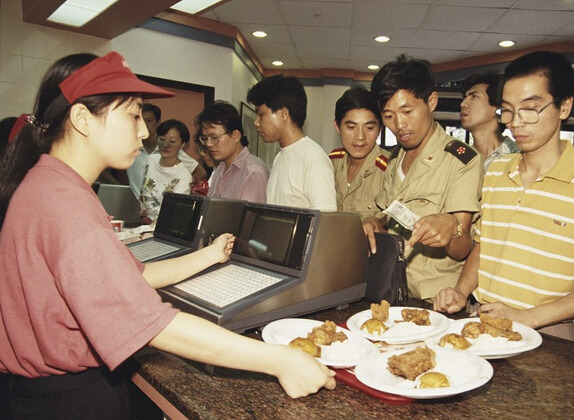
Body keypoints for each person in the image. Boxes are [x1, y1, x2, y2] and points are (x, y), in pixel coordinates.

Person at [0, 51, 336, 419]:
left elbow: (135, 277)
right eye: (133, 116)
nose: (145, 132)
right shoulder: (63, 204)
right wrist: (282, 360)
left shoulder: (51, 186)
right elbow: (153, 326)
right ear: (82, 119)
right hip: (65, 400)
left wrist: (209, 255)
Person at [434, 51, 574, 335]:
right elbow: (484, 244)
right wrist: (461, 291)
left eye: (530, 108)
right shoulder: (496, 171)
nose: (516, 122)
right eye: (508, 110)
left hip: (548, 330)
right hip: (482, 318)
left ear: (564, 106)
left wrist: (529, 317)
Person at [362, 54, 483, 300]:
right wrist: (374, 224)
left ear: (432, 101)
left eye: (407, 111)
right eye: (388, 116)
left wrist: (452, 228)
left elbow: (462, 249)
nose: (399, 125)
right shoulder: (395, 158)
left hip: (435, 299)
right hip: (392, 289)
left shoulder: (461, 160)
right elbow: (387, 218)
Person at [247, 74, 337, 211]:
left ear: (284, 113)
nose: (256, 122)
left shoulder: (314, 158)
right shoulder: (279, 158)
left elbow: (326, 219)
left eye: (261, 114)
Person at [329, 85, 390, 220]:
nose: (360, 137)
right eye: (351, 127)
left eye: (369, 128)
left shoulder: (390, 169)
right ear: (337, 127)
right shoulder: (331, 163)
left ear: (380, 129)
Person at [195, 100, 269, 203]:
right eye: (205, 138)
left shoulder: (252, 172)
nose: (208, 144)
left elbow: (250, 214)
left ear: (235, 136)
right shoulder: (220, 169)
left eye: (214, 137)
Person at [126, 103, 204, 197]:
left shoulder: (172, 151)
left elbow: (201, 172)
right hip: (137, 203)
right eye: (140, 120)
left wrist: (180, 186)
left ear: (158, 122)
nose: (145, 125)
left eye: (149, 120)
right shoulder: (130, 147)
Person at [460, 71, 520, 170]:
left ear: (496, 107)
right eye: (464, 98)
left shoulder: (518, 156)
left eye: (474, 96)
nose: (463, 104)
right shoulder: (461, 161)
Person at [140, 119, 195, 224]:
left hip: (162, 225)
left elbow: (174, 213)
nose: (165, 145)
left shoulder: (184, 177)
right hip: (141, 222)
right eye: (162, 139)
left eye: (172, 141)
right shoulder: (151, 160)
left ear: (182, 145)